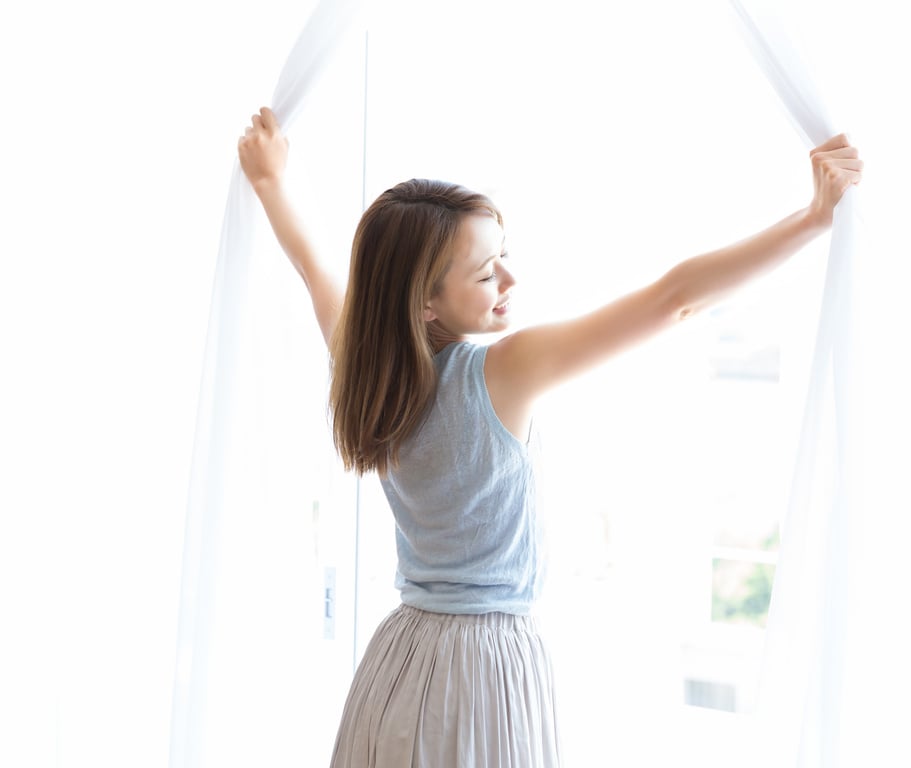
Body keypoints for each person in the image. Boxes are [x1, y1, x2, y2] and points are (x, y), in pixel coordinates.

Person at [238, 105, 861, 768]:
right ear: (424, 301)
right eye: (485, 274)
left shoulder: (365, 364)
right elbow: (673, 298)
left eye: (502, 257)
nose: (510, 280)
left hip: (399, 659)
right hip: (482, 669)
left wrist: (271, 181)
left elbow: (313, 268)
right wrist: (813, 219)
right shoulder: (505, 370)